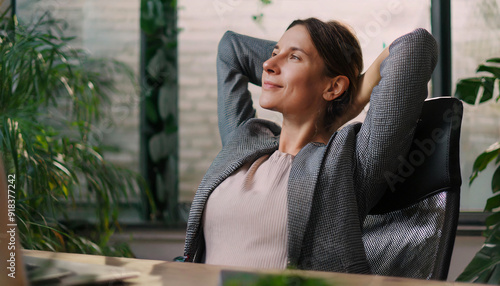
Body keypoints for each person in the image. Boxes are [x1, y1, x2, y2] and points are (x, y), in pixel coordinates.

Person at [183, 18, 438, 274]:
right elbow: (231, 48)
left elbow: (415, 46)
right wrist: (330, 90)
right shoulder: (245, 143)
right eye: (274, 53)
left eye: (294, 57)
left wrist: (353, 98)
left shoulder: (348, 167)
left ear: (334, 85)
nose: (268, 65)